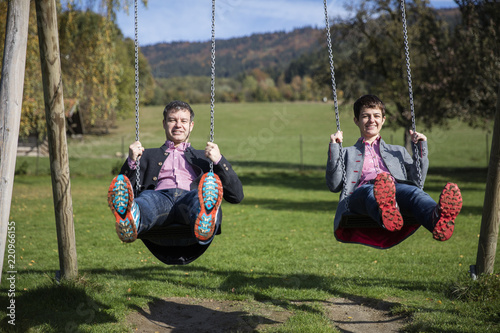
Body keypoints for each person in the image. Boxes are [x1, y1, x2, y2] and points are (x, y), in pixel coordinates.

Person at [107, 100, 244, 264]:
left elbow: (236, 196)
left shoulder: (205, 157)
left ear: (191, 125)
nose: (178, 125)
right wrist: (131, 161)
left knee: (198, 197)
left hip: (189, 201)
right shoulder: (146, 155)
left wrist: (219, 161)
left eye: (183, 121)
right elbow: (125, 187)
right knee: (147, 200)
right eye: (172, 120)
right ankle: (132, 219)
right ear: (164, 124)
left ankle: (205, 217)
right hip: (160, 201)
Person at [326, 94, 462, 249]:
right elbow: (334, 185)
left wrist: (421, 148)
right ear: (356, 120)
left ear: (383, 120)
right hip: (360, 194)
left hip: (395, 189)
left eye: (376, 116)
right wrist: (335, 148)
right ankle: (388, 212)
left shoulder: (398, 151)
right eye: (365, 116)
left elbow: (418, 182)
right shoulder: (347, 153)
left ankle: (436, 218)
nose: (372, 120)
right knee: (371, 192)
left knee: (414, 193)